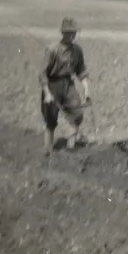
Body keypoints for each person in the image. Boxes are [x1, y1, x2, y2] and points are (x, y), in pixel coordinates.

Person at [39, 17, 93, 156]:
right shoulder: (52, 50)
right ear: (63, 33)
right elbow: (42, 73)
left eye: (74, 32)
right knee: (51, 118)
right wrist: (47, 93)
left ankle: (71, 146)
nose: (72, 35)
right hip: (52, 85)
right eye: (69, 32)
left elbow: (81, 71)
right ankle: (47, 149)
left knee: (77, 113)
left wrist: (87, 90)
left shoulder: (77, 51)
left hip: (68, 84)